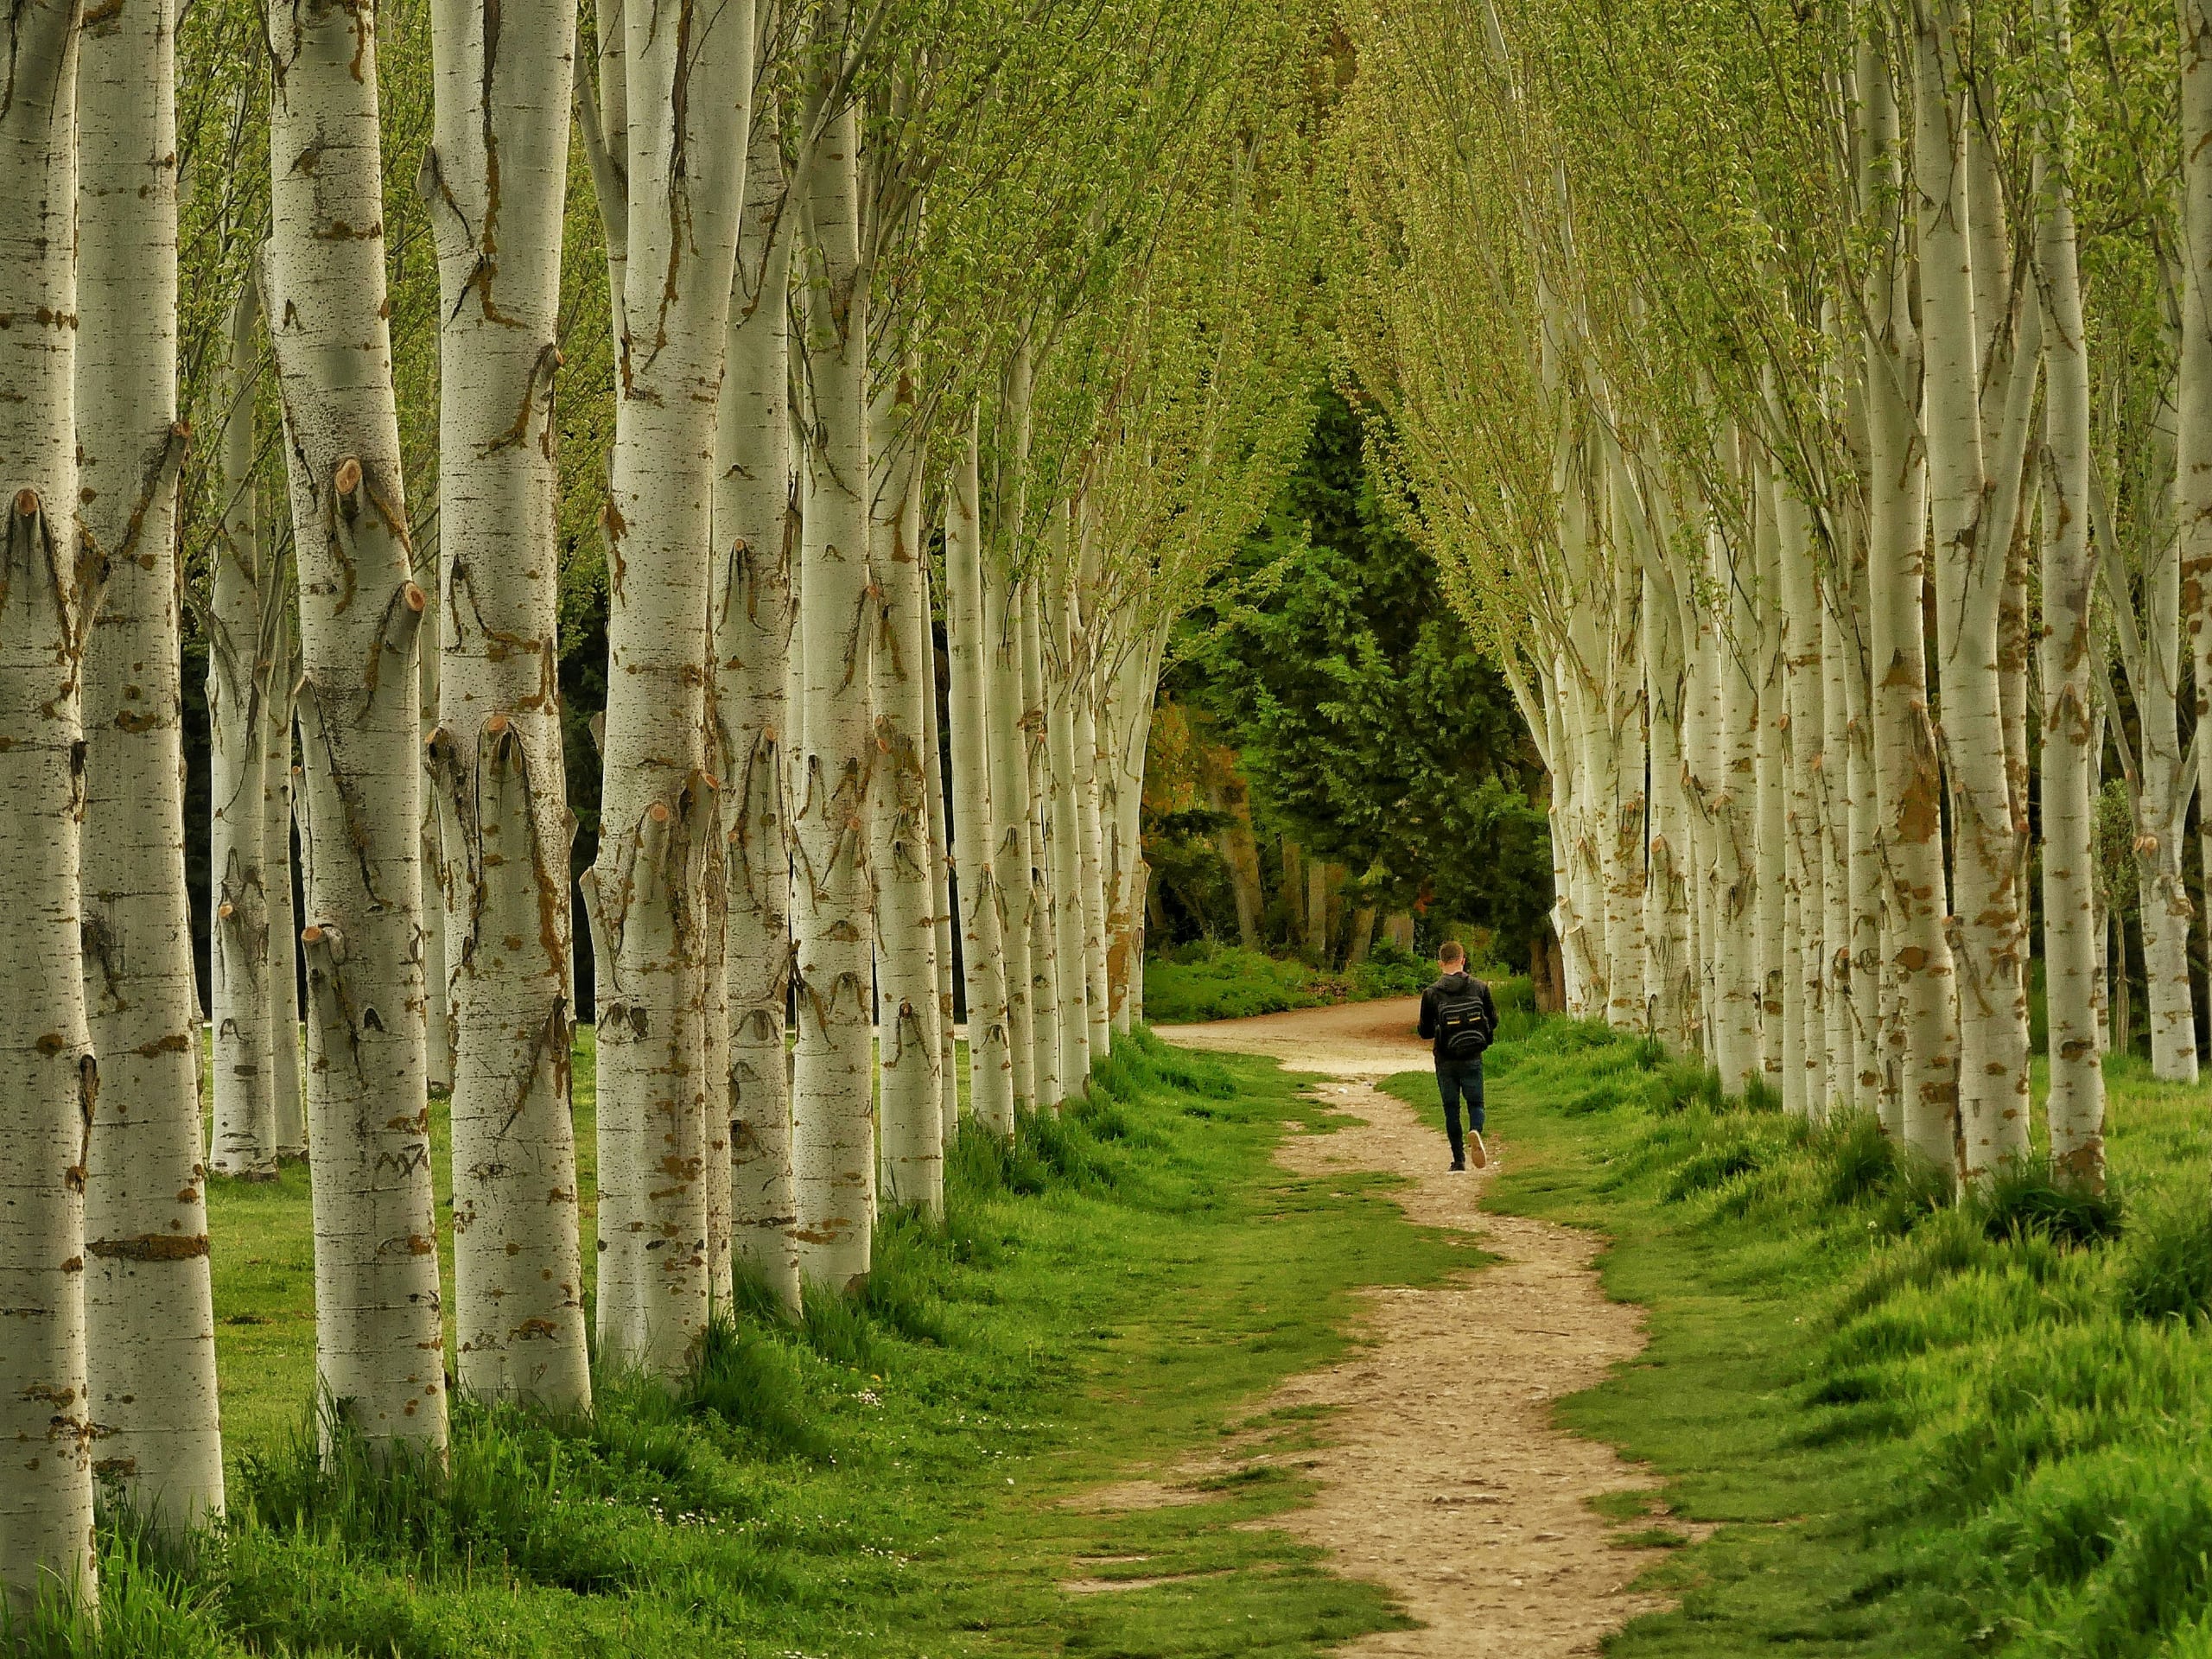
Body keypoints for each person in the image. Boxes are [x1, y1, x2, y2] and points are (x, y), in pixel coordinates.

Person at [1417, 941, 1498, 1172]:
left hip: (1445, 1058)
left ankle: (1458, 1161)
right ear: (1463, 960)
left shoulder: (1431, 993)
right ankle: (1476, 1130)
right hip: (1473, 1055)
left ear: (1440, 963)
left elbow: (1425, 1032)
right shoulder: (1479, 987)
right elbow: (1493, 1021)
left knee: (1451, 1108)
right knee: (1476, 1102)